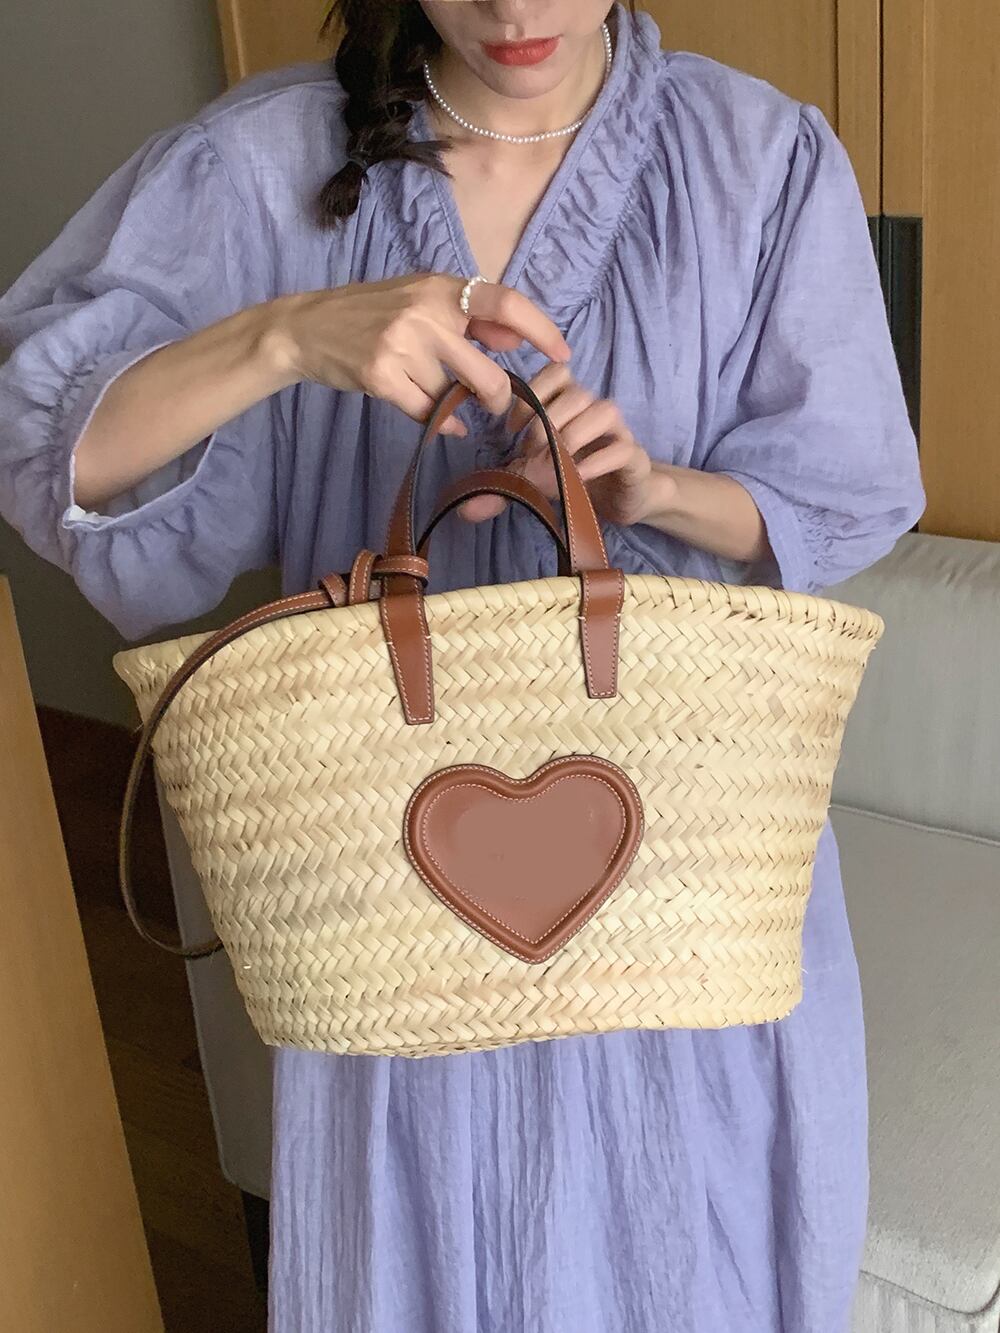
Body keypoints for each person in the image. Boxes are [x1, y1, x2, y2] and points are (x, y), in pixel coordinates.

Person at [0, 2, 925, 1329]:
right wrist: (288, 336)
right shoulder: (257, 166)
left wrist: (655, 488)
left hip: (689, 898)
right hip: (400, 911)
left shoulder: (758, 160)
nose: (515, 9)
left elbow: (842, 494)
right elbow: (52, 455)